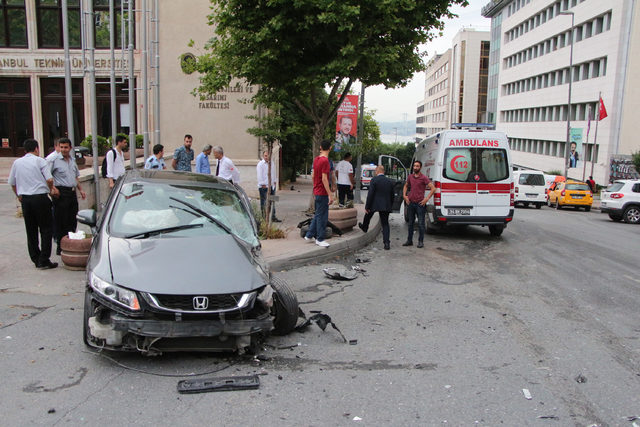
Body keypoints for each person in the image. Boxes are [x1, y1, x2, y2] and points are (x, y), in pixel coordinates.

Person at [8, 139, 58, 269]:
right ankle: (44, 258)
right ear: (36, 148)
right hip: (40, 198)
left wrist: (19, 195)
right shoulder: (40, 161)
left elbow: (12, 183)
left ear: (25, 150)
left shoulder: (17, 162)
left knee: (31, 230)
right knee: (46, 229)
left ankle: (35, 257)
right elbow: (49, 179)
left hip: (26, 199)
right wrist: (51, 189)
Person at [49, 138, 86, 255]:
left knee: (72, 219)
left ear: (70, 148)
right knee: (61, 220)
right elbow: (46, 176)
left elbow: (75, 177)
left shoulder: (72, 160)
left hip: (71, 192)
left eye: (66, 147)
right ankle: (61, 246)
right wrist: (53, 190)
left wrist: (80, 190)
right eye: (61, 147)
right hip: (61, 193)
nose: (63, 150)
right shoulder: (53, 160)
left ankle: (70, 243)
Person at [304, 139, 334, 247]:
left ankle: (309, 234)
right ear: (330, 148)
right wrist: (330, 194)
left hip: (317, 190)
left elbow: (313, 175)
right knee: (322, 216)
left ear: (320, 147)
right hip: (322, 192)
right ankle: (320, 239)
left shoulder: (316, 159)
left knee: (318, 214)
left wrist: (315, 185)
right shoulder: (326, 161)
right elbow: (325, 178)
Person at [358, 165, 394, 250]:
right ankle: (386, 243)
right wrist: (390, 205)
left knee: (368, 216)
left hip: (374, 204)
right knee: (385, 224)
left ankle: (365, 227)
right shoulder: (389, 181)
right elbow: (392, 195)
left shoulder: (374, 180)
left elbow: (370, 194)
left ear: (377, 171)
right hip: (385, 205)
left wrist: (367, 206)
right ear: (383, 171)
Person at [402, 160, 435, 248]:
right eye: (414, 166)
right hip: (411, 203)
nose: (415, 167)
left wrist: (426, 199)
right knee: (410, 223)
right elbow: (406, 185)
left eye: (417, 166)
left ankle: (420, 241)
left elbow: (433, 188)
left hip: (420, 204)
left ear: (420, 167)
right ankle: (409, 240)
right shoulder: (410, 177)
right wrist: (405, 196)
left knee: (421, 224)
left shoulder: (424, 178)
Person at [256, 150, 281, 222]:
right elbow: (259, 175)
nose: (267, 157)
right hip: (264, 186)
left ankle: (273, 216)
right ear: (263, 156)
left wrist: (275, 181)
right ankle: (264, 217)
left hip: (272, 186)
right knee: (264, 202)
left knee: (273, 201)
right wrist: (262, 184)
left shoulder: (272, 163)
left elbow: (273, 172)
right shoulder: (260, 164)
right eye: (265, 156)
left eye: (268, 156)